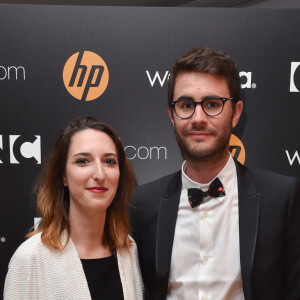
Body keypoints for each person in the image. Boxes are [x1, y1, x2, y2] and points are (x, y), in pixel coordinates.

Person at [129, 47, 300, 300]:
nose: (198, 118)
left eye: (212, 104)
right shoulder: (143, 203)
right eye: (186, 105)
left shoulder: (282, 197)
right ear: (171, 115)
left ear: (236, 113)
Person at [4, 116, 144, 300]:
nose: (99, 174)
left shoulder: (129, 250)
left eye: (109, 161)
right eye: (83, 161)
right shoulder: (30, 258)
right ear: (63, 176)